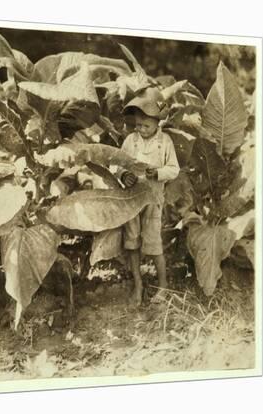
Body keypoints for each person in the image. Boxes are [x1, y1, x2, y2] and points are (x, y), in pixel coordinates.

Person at [117, 87, 180, 306]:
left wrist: (158, 173)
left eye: (146, 125)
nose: (141, 129)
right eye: (137, 125)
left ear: (157, 123)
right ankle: (138, 285)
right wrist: (124, 175)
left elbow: (174, 169)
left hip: (153, 199)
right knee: (132, 241)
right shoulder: (130, 141)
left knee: (153, 243)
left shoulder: (165, 142)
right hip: (132, 200)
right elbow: (119, 164)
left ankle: (162, 286)